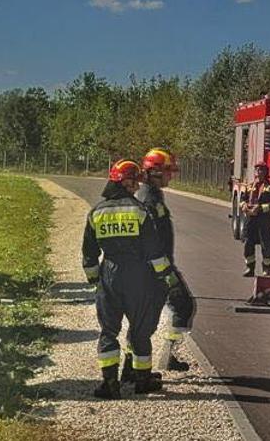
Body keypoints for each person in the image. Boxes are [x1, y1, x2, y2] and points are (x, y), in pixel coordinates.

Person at [83, 159, 174, 398]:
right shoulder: (140, 211)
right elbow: (154, 251)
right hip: (137, 276)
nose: (137, 186)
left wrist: (95, 280)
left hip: (109, 274)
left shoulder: (97, 212)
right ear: (125, 182)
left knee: (108, 331)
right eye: (135, 181)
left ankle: (109, 383)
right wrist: (165, 276)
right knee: (140, 330)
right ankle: (142, 380)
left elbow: (89, 253)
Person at [138, 148, 195, 372]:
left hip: (161, 266)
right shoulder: (148, 199)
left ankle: (167, 356)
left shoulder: (153, 195)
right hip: (157, 269)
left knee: (179, 306)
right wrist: (164, 272)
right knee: (175, 308)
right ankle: (154, 361)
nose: (171, 176)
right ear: (155, 172)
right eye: (168, 171)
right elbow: (150, 240)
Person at [241, 176, 270, 277]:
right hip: (250, 220)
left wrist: (260, 208)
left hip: (263, 220)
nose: (259, 173)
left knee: (265, 245)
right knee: (248, 243)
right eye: (257, 170)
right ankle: (250, 268)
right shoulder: (250, 186)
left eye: (261, 170)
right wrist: (244, 205)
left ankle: (266, 270)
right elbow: (242, 199)